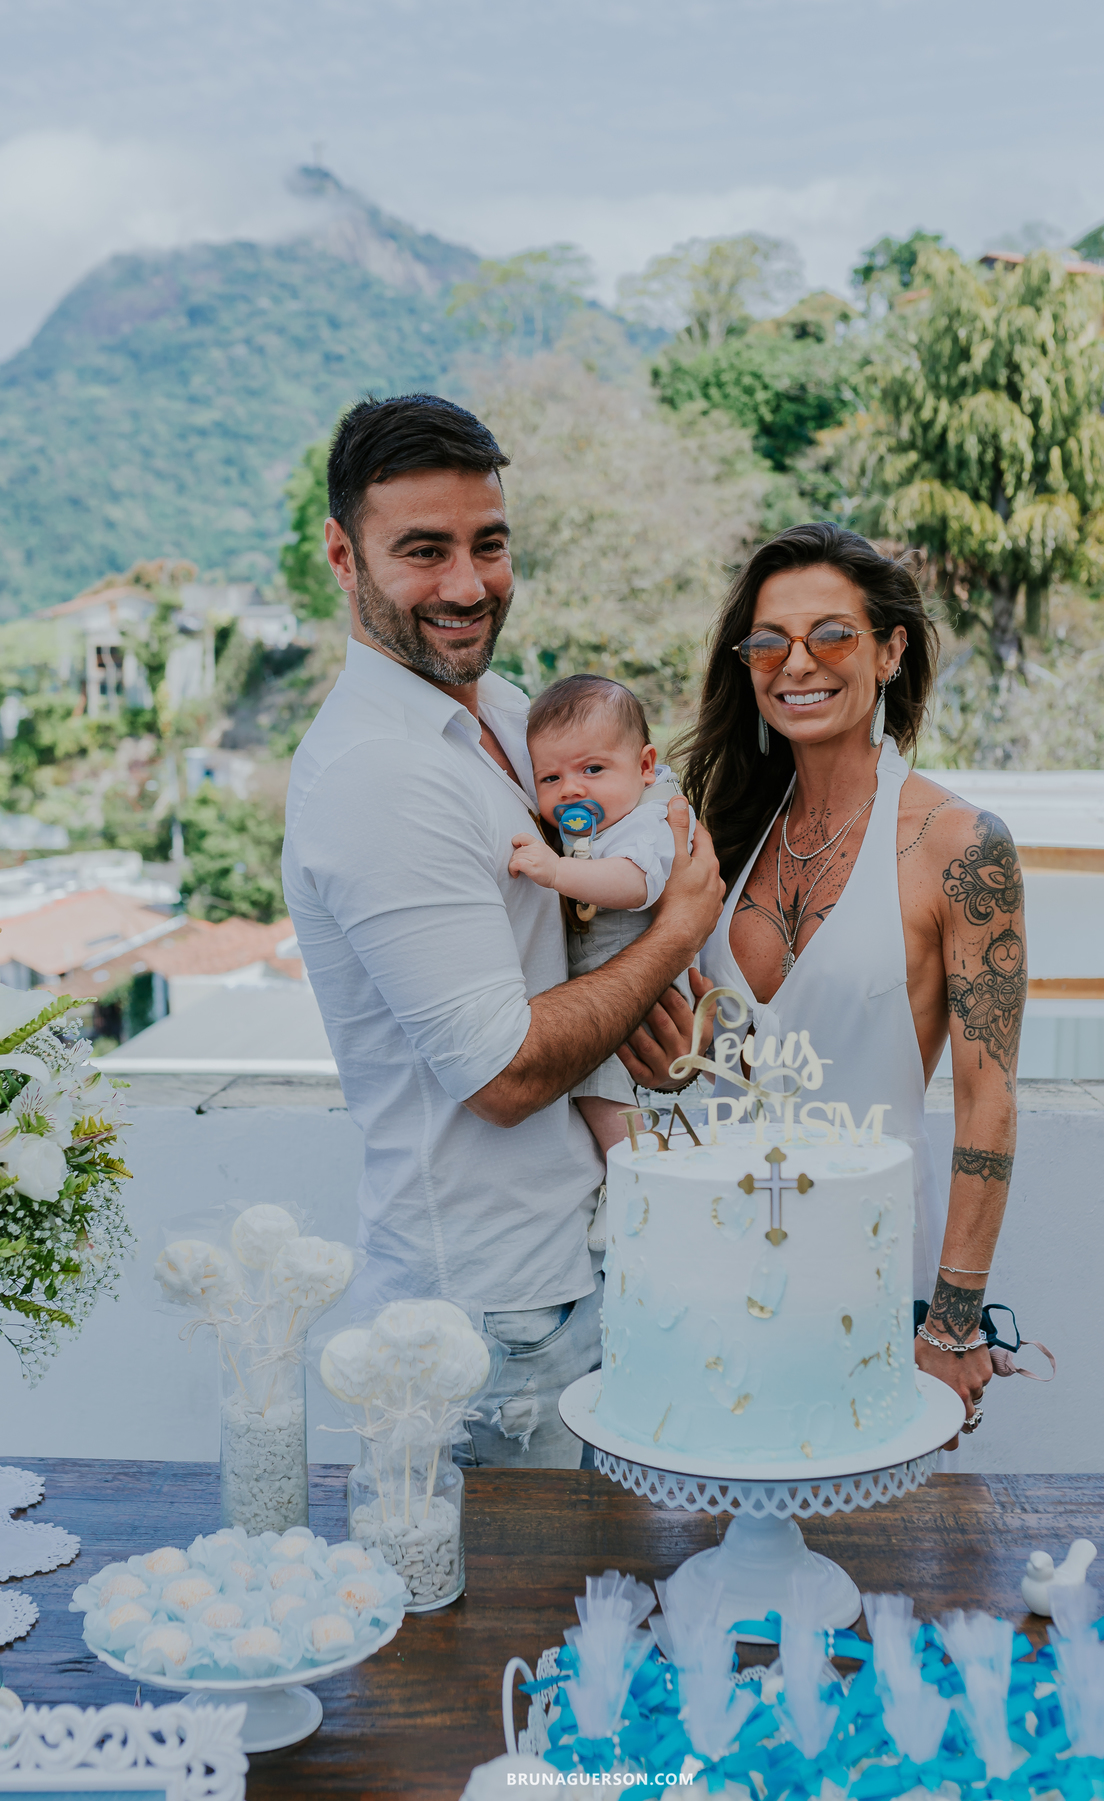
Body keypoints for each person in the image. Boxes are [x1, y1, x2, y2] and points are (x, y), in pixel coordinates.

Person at [281, 393, 723, 1468]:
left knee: (584, 1619)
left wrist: (669, 1022)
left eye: (489, 544)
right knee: (486, 1632)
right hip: (480, 1314)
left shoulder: (509, 713)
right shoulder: (379, 773)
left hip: (567, 1263)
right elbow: (508, 1073)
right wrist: (678, 931)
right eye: (423, 551)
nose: (468, 585)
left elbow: (577, 933)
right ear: (343, 553)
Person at [677, 523, 1028, 1443]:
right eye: (770, 642)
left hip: (871, 1276)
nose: (798, 663)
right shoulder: (726, 829)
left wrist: (953, 1318)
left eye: (831, 634)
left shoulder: (958, 845)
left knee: (871, 1556)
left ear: (890, 650)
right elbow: (700, 1053)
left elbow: (988, 1099)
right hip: (714, 1265)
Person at [509, 673, 697, 1160]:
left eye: (592, 769)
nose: (570, 790)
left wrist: (555, 872)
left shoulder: (650, 822)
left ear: (645, 766)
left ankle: (637, 1179)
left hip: (644, 992)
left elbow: (633, 884)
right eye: (551, 778)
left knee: (602, 1091)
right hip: (609, 988)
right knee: (603, 1090)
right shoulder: (596, 828)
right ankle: (637, 1172)